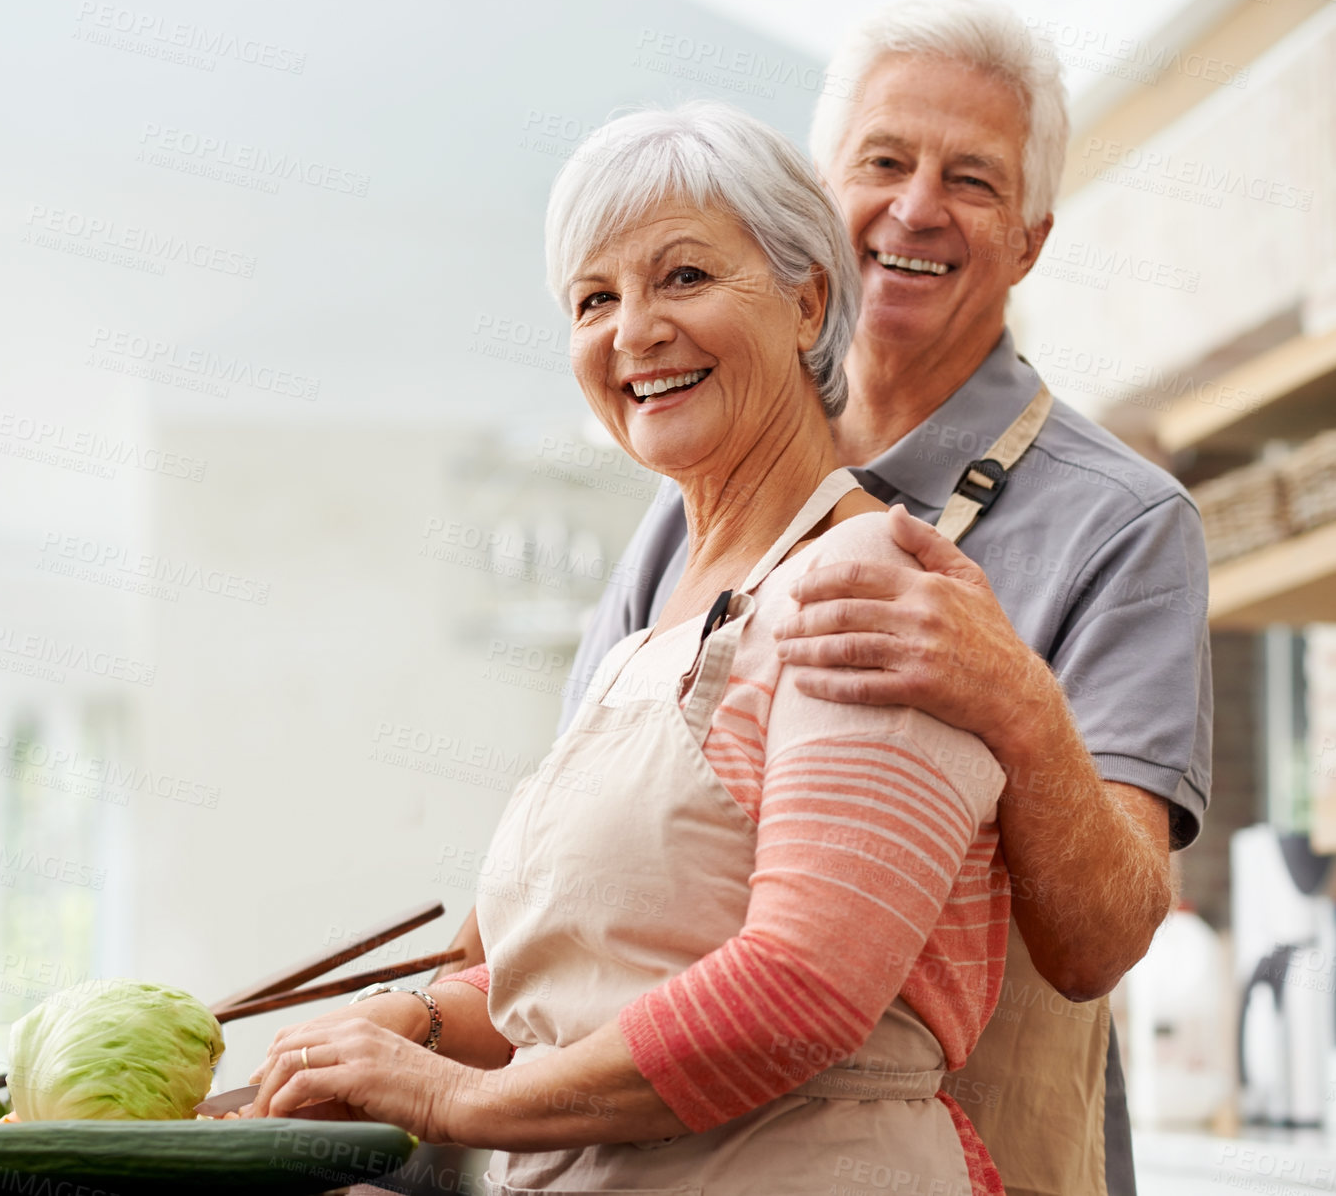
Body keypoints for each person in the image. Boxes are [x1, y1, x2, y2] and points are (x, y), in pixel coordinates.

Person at [440, 1, 1212, 1195]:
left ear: (1031, 239)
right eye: (884, 162)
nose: (914, 209)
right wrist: (400, 1042)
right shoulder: (691, 498)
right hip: (653, 1133)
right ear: (819, 198)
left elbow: (1105, 938)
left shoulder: (1124, 523)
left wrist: (1017, 699)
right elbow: (564, 899)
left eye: (972, 180)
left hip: (953, 1146)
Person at [244, 104, 1012, 1194]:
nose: (634, 331)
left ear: (808, 302)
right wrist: (405, 1022)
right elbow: (587, 994)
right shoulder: (653, 635)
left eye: (684, 278)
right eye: (593, 300)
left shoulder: (866, 590)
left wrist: (449, 1100)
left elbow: (800, 989)